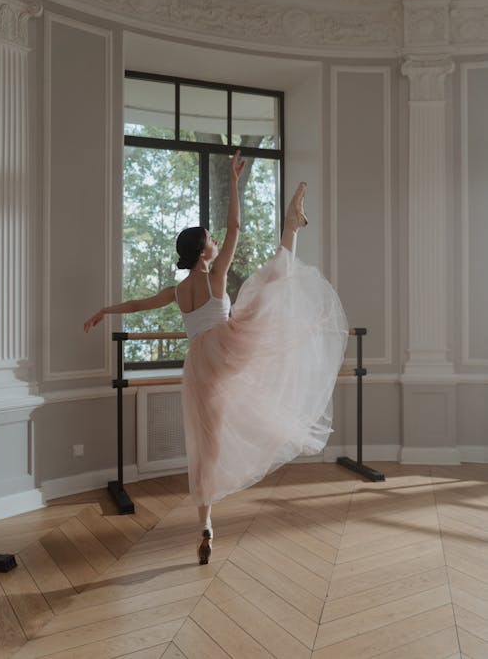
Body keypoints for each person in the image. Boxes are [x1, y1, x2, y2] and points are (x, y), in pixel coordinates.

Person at [84, 151, 348, 565]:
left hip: (198, 365)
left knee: (206, 445)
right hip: (226, 349)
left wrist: (105, 311)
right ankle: (291, 227)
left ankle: (206, 524)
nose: (214, 241)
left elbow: (138, 305)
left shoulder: (177, 291)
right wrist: (233, 180)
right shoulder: (214, 276)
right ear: (204, 252)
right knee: (267, 291)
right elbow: (236, 227)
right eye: (209, 239)